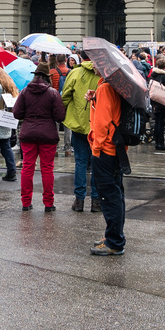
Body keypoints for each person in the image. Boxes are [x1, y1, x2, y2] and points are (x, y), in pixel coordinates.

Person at [13, 63, 66, 211]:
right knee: (47, 169)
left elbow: (17, 113)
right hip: (48, 134)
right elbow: (60, 116)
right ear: (47, 77)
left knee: (27, 168)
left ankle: (26, 202)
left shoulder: (24, 92)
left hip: (28, 133)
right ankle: (48, 204)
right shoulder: (53, 93)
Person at [88, 74, 125, 256]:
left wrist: (96, 148)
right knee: (116, 194)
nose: (93, 64)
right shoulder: (115, 85)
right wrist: (94, 98)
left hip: (105, 149)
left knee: (109, 196)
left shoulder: (105, 87)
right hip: (116, 147)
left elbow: (102, 122)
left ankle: (114, 241)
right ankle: (115, 236)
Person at [61, 51, 100, 212]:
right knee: (97, 163)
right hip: (97, 125)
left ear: (81, 58)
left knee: (81, 162)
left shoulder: (75, 73)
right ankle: (96, 201)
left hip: (78, 123)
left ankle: (79, 200)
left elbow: (65, 97)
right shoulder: (102, 73)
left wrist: (67, 113)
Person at [148, 57, 165, 151]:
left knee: (157, 122)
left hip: (154, 101)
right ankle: (161, 143)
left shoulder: (153, 75)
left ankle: (156, 142)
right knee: (161, 123)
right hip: (162, 101)